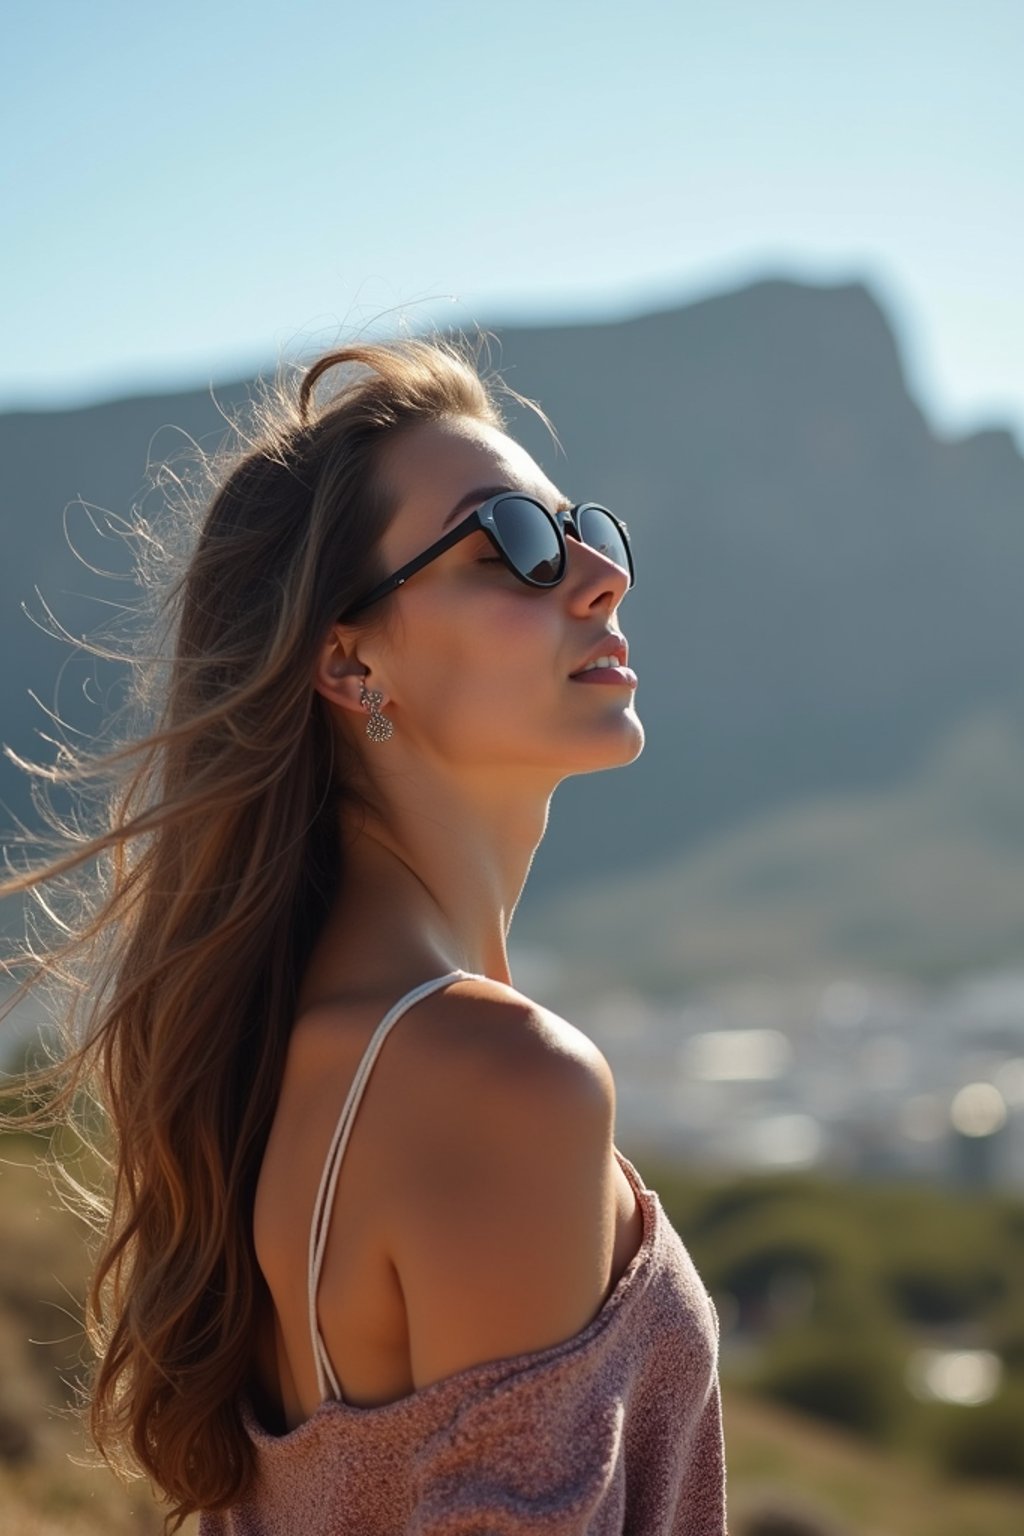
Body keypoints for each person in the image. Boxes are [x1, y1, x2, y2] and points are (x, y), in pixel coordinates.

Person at [0, 337, 727, 1533]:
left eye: (584, 527)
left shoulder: (287, 1070)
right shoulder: (500, 1083)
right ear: (347, 658)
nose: (600, 574)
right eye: (516, 546)